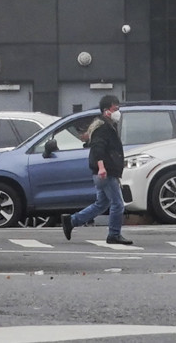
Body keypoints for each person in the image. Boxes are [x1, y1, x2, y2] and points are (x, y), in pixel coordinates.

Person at [60, 97, 131, 246]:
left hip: (105, 171)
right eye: (115, 109)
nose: (118, 112)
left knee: (102, 203)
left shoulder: (107, 125)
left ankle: (71, 221)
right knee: (118, 204)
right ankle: (114, 234)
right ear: (106, 111)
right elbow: (98, 148)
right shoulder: (103, 127)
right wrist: (102, 167)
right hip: (106, 172)